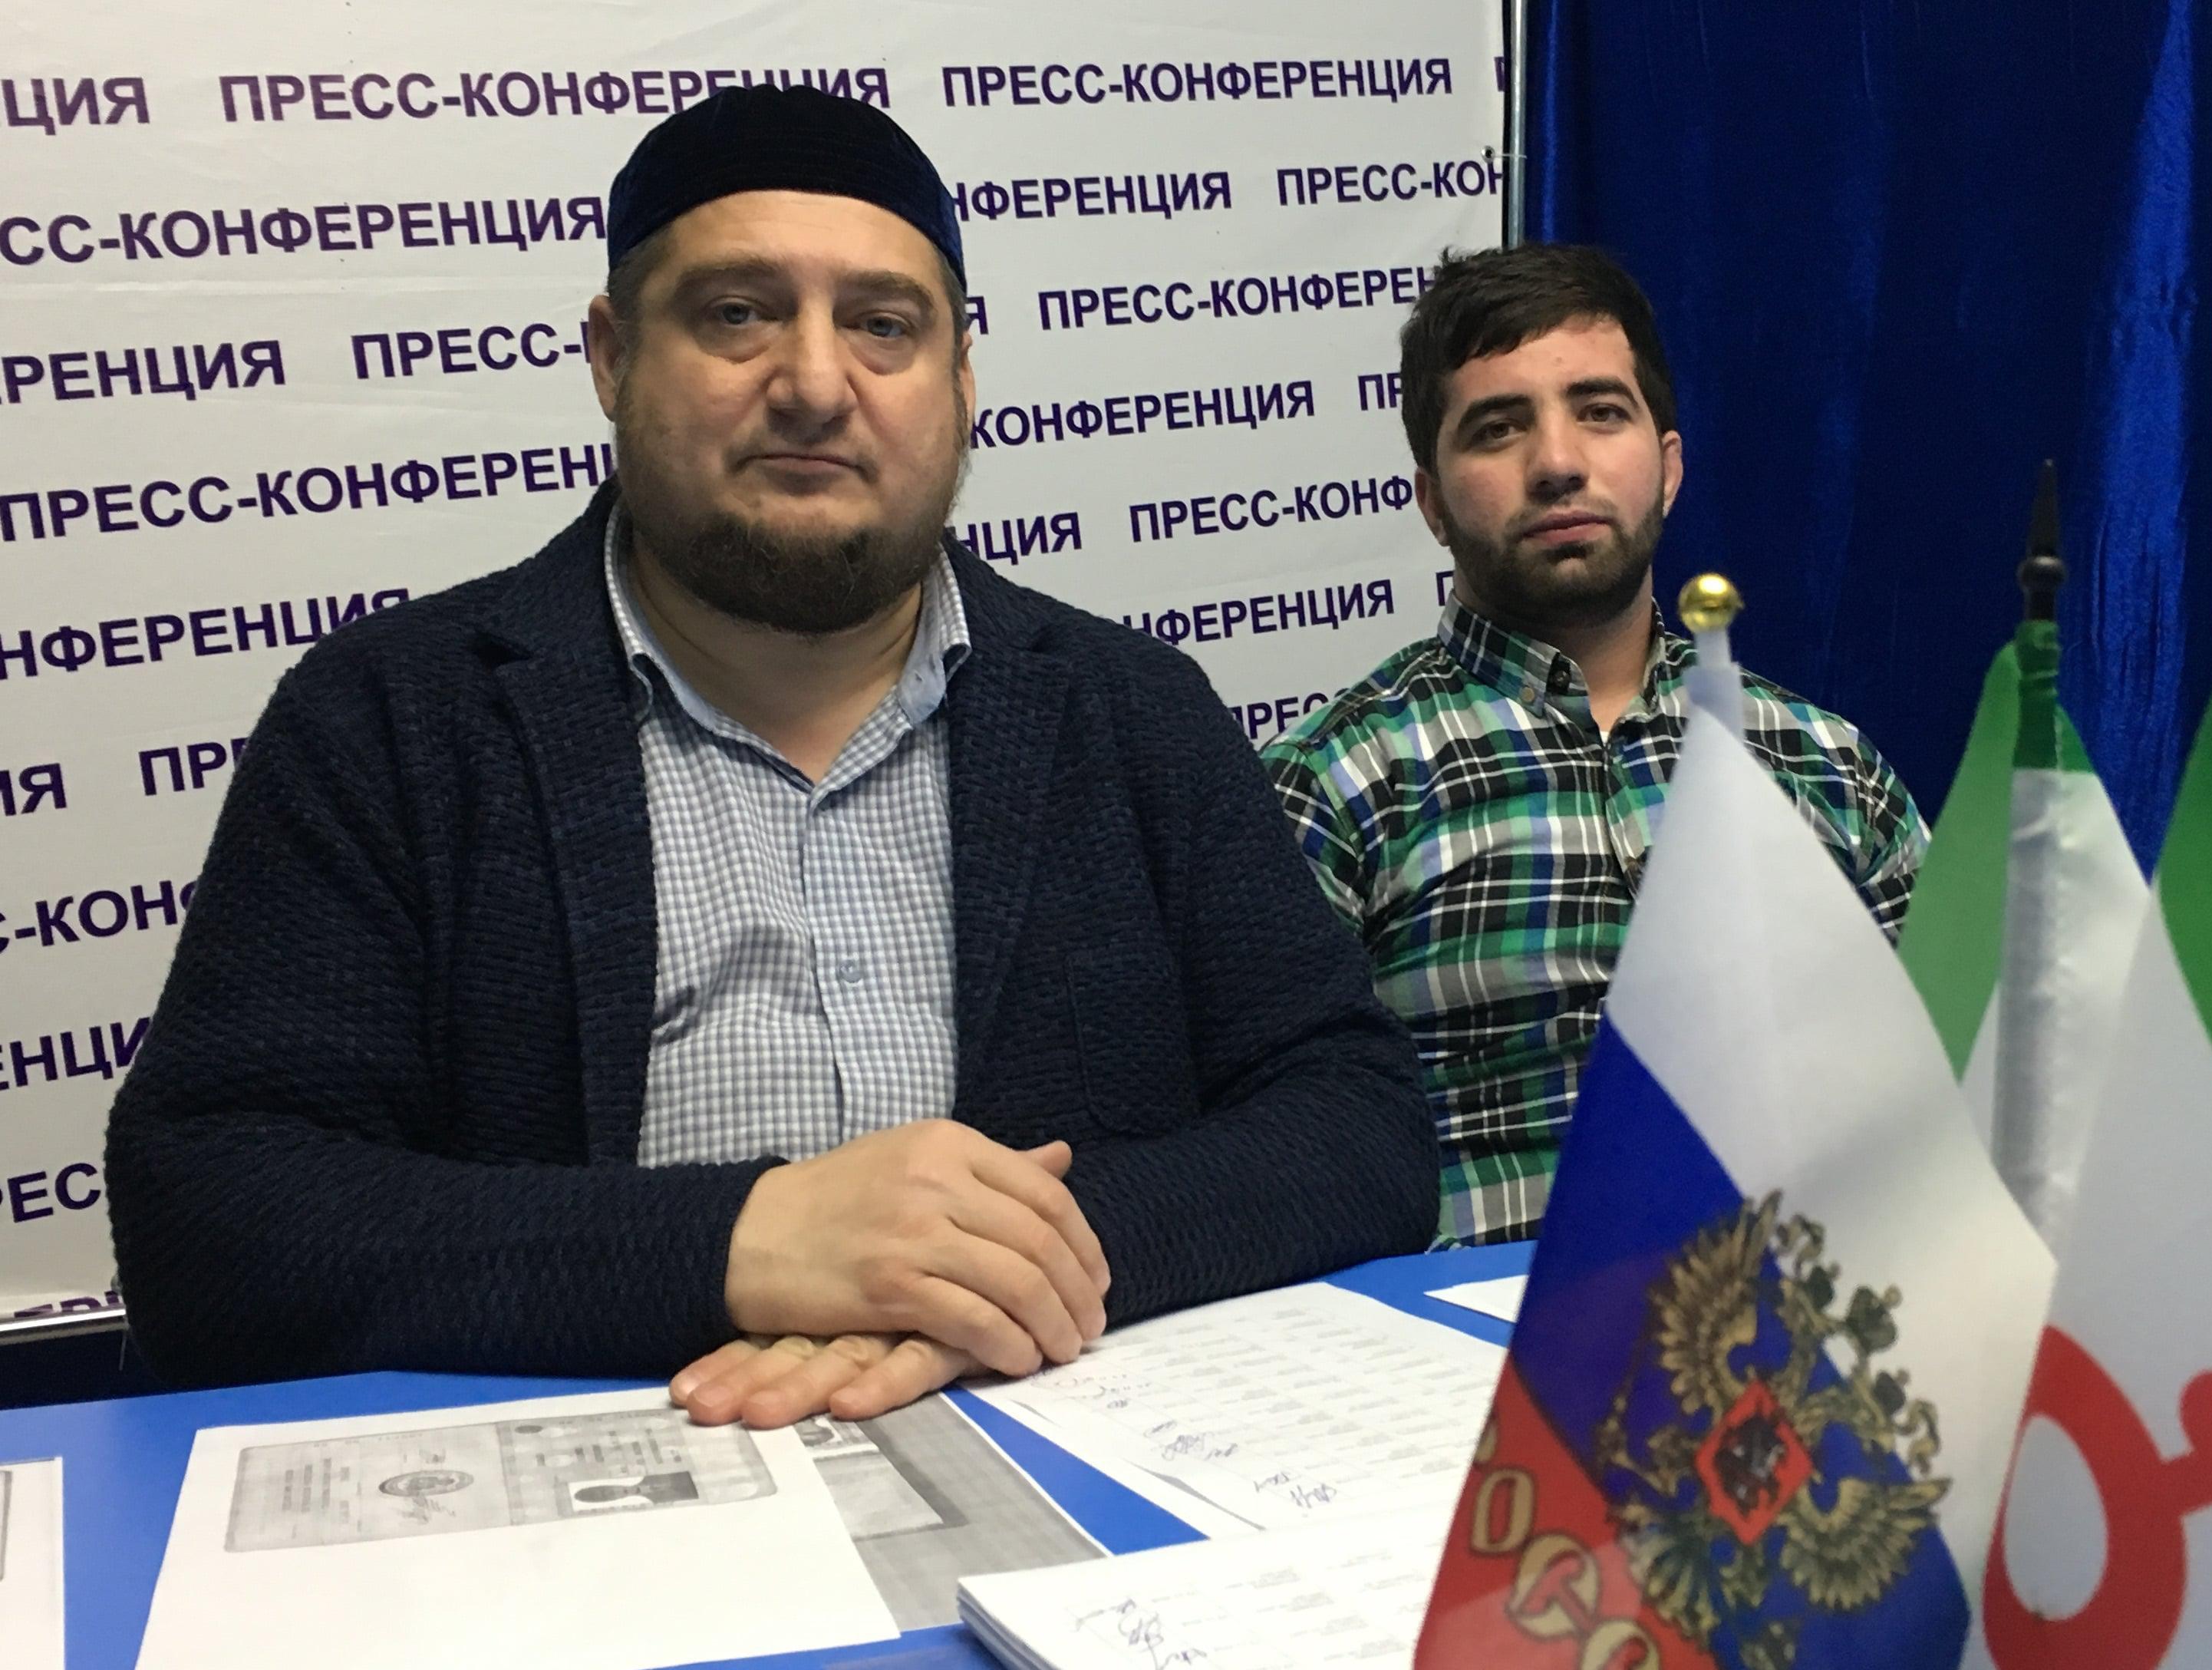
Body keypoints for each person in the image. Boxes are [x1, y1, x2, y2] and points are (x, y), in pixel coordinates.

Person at [106, 86, 1437, 1425]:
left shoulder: (1132, 711)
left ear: (962, 379)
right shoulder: (394, 720)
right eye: (738, 313)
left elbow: (1360, 1122)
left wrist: (992, 1266)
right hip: (601, 1479)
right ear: (613, 357)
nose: (813, 384)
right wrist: (743, 1241)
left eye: (884, 325)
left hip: (1066, 1451)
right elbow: (211, 1213)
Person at [1264, 243, 1924, 1246]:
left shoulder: (1826, 768)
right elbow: (1269, 1151)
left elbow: (1956, 1092)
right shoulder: (1334, 787)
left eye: (1601, 412)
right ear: (1432, 504)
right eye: (1498, 428)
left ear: (1669, 468)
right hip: (1470, 1327)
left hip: (1803, 1305)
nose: (1558, 463)